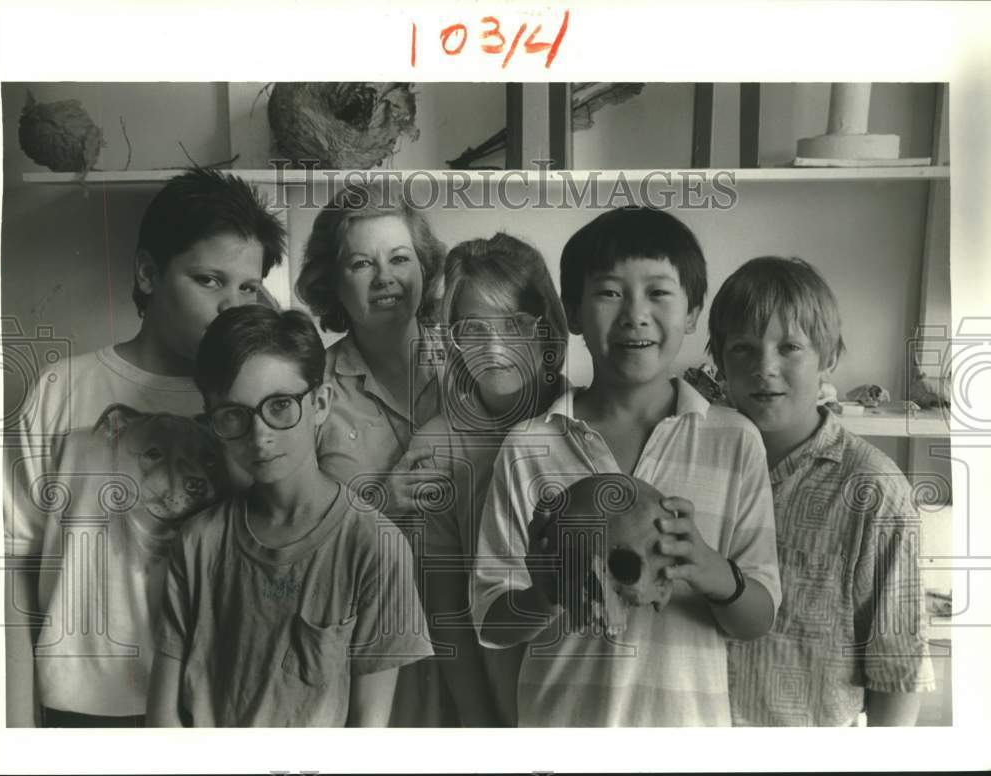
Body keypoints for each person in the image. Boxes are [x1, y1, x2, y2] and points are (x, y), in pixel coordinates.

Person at [471, 206, 782, 727]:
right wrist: (545, 594)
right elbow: (491, 619)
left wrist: (709, 569)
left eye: (658, 292)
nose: (634, 313)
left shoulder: (734, 441)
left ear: (692, 312)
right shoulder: (528, 446)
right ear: (571, 312)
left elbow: (759, 617)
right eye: (609, 292)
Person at [4, 168, 286, 727]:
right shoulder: (66, 389)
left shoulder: (257, 404)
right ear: (148, 272)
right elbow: (10, 562)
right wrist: (14, 724)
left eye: (248, 287)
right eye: (209, 280)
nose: (232, 306)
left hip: (219, 705)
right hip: (83, 710)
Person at [147, 306, 431, 726]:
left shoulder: (375, 546)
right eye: (233, 415)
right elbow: (162, 719)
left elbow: (368, 731)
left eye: (280, 406)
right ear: (213, 420)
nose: (259, 435)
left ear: (320, 403)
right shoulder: (198, 543)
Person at [708, 256, 935, 726]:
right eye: (743, 349)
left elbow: (898, 669)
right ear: (718, 362)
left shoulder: (874, 489)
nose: (764, 367)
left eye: (789, 346)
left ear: (828, 356)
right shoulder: (696, 465)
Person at [392, 233, 569, 725]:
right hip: (490, 690)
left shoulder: (583, 423)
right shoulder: (436, 448)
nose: (494, 348)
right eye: (472, 330)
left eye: (514, 325)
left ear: (547, 330)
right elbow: (445, 615)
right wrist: (485, 729)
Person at [295, 179, 448, 724]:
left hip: (474, 639)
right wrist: (375, 505)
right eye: (361, 264)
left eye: (400, 258)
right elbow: (284, 539)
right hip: (360, 656)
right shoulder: (309, 386)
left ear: (424, 270)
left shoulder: (477, 367)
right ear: (332, 284)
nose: (385, 278)